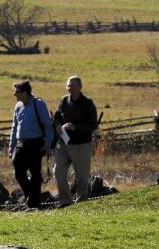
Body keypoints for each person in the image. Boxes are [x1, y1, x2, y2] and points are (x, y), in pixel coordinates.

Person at [52, 76, 98, 206]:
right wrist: (58, 127)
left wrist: (76, 127)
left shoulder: (88, 103)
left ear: (80, 87)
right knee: (58, 172)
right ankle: (65, 200)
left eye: (72, 85)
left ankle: (81, 202)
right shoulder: (63, 101)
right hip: (63, 143)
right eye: (68, 85)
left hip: (81, 145)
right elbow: (56, 118)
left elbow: (93, 125)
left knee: (81, 177)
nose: (69, 87)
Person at [8, 80, 53, 209]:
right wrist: (11, 146)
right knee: (18, 171)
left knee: (35, 174)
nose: (14, 94)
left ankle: (34, 203)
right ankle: (30, 196)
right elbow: (14, 127)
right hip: (21, 143)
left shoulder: (38, 104)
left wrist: (48, 143)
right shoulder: (18, 106)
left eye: (16, 92)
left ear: (25, 92)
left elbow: (47, 125)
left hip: (36, 143)